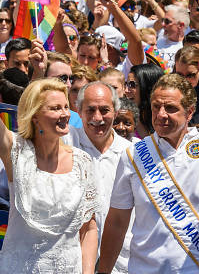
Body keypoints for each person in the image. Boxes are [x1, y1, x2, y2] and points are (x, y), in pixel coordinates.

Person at [98, 45, 199, 274]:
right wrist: (103, 271)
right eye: (157, 106)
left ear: (190, 112)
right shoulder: (134, 154)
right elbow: (116, 221)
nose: (161, 114)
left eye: (171, 108)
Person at [0, 32, 100, 273]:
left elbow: (89, 227)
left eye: (65, 107)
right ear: (36, 116)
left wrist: (88, 271)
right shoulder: (16, 153)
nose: (64, 114)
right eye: (55, 108)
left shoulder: (82, 162)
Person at [67, 82, 133, 273]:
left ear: (116, 110)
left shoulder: (130, 153)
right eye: (90, 110)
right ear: (78, 111)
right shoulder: (66, 144)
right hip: (74, 260)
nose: (98, 118)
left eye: (104, 110)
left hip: (122, 263)